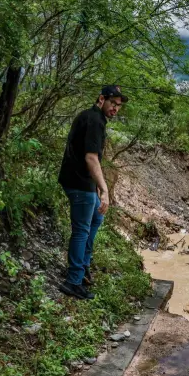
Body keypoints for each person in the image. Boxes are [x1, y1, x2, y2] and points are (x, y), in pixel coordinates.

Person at [57, 85, 128, 299]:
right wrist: (104, 190)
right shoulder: (94, 120)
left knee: (97, 217)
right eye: (112, 103)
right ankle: (74, 281)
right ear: (101, 99)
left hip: (82, 180)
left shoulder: (93, 118)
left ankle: (83, 265)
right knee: (81, 230)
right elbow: (90, 157)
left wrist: (97, 185)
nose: (116, 108)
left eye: (118, 105)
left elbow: (90, 157)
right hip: (78, 183)